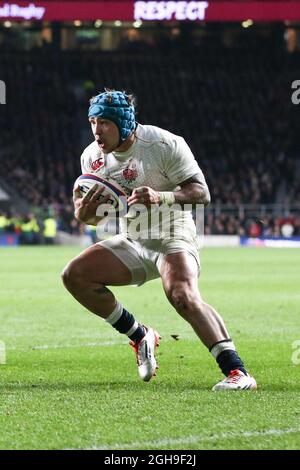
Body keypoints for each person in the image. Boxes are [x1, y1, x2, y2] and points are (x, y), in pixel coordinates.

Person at [62, 89, 257, 391]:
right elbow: (91, 217)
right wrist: (85, 214)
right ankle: (139, 335)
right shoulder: (91, 157)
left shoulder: (163, 144)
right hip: (133, 238)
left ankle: (237, 372)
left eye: (105, 123)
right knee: (75, 276)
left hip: (171, 233)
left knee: (182, 295)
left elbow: (201, 193)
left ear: (124, 123)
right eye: (92, 121)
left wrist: (161, 196)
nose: (97, 131)